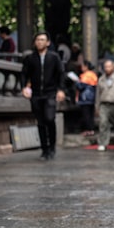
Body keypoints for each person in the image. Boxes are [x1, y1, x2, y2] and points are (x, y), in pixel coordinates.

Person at [20, 32, 66, 161]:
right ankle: (44, 149)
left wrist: (61, 90)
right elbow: (24, 74)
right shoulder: (30, 58)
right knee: (40, 122)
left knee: (50, 119)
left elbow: (61, 74)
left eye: (42, 40)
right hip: (36, 94)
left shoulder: (54, 57)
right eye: (37, 40)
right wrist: (24, 87)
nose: (40, 42)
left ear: (48, 43)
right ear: (35, 42)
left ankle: (52, 147)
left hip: (50, 93)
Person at [75, 60, 98, 136]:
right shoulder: (93, 74)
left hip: (85, 97)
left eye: (82, 66)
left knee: (86, 115)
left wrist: (77, 82)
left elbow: (81, 86)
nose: (81, 68)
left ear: (86, 67)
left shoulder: (86, 75)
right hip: (92, 97)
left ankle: (88, 129)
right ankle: (91, 129)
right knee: (90, 115)